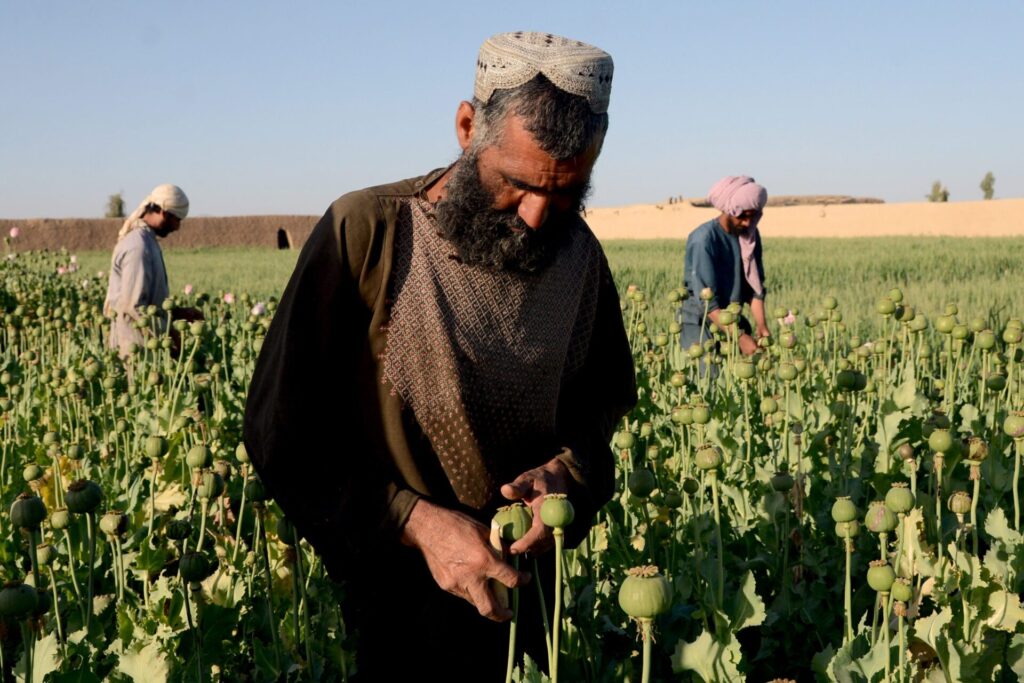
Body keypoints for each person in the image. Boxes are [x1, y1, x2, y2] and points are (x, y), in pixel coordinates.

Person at [243, 31, 636, 680]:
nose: (539, 215)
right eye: (519, 184)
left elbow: (595, 421)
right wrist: (416, 522)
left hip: (525, 613)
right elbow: (279, 434)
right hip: (387, 613)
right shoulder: (368, 233)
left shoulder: (581, 261)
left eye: (567, 192)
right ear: (465, 127)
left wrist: (567, 476)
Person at [678, 175, 770, 358]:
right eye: (742, 216)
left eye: (753, 217)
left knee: (737, 381)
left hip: (732, 321)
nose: (747, 223)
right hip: (700, 322)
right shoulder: (704, 239)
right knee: (707, 379)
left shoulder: (748, 236)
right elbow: (707, 302)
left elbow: (755, 290)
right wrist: (740, 337)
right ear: (729, 210)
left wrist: (762, 327)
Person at [103, 184, 201, 357]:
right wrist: (170, 333)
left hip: (149, 348)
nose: (177, 227)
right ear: (164, 212)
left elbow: (149, 303)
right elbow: (133, 307)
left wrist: (178, 313)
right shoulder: (138, 247)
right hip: (135, 350)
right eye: (177, 219)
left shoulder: (148, 241)